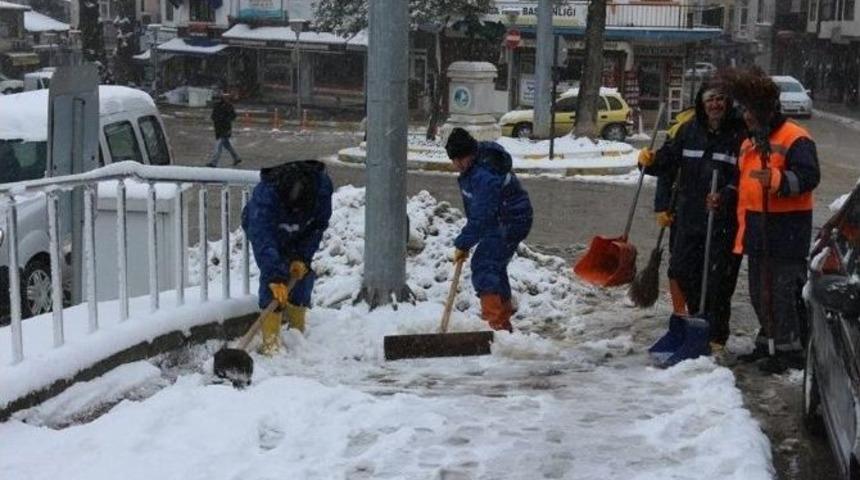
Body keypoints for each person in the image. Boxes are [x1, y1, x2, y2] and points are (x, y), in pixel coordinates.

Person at [638, 81, 746, 359]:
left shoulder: (740, 136)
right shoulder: (690, 130)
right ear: (701, 102)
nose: (715, 105)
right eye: (710, 99)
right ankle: (694, 326)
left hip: (722, 221)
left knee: (718, 281)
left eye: (720, 99)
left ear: (728, 103)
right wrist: (649, 161)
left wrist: (725, 195)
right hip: (689, 217)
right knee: (684, 271)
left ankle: (716, 336)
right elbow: (668, 162)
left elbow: (743, 178)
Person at [728, 69, 820, 373]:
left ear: (766, 110)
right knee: (760, 291)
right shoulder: (750, 143)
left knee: (782, 294)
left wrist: (779, 179)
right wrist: (726, 196)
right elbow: (746, 184)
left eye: (750, 110)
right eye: (743, 110)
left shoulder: (794, 138)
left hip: (786, 231)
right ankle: (767, 341)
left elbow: (809, 176)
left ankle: (789, 350)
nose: (745, 116)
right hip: (758, 228)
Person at [444, 128, 533, 332]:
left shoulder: (483, 175)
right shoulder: (476, 164)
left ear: (466, 156)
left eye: (456, 160)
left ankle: (495, 324)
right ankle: (502, 319)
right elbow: (480, 213)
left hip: (509, 220)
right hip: (505, 217)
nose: (455, 165)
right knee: (494, 264)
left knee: (485, 264)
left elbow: (482, 215)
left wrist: (464, 242)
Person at [242, 160, 333, 355]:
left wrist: (303, 256)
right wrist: (275, 277)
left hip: (302, 233)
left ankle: (296, 332)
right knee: (272, 280)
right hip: (270, 231)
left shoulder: (321, 190)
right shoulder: (266, 196)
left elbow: (317, 227)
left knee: (302, 277)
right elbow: (262, 237)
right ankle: (271, 342)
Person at [207, 92, 242, 167]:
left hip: (225, 129)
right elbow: (213, 116)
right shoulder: (218, 106)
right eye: (225, 97)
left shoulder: (229, 106)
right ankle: (236, 158)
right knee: (227, 145)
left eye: (227, 98)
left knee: (218, 146)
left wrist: (226, 120)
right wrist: (218, 119)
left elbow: (233, 116)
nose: (226, 99)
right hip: (219, 128)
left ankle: (214, 162)